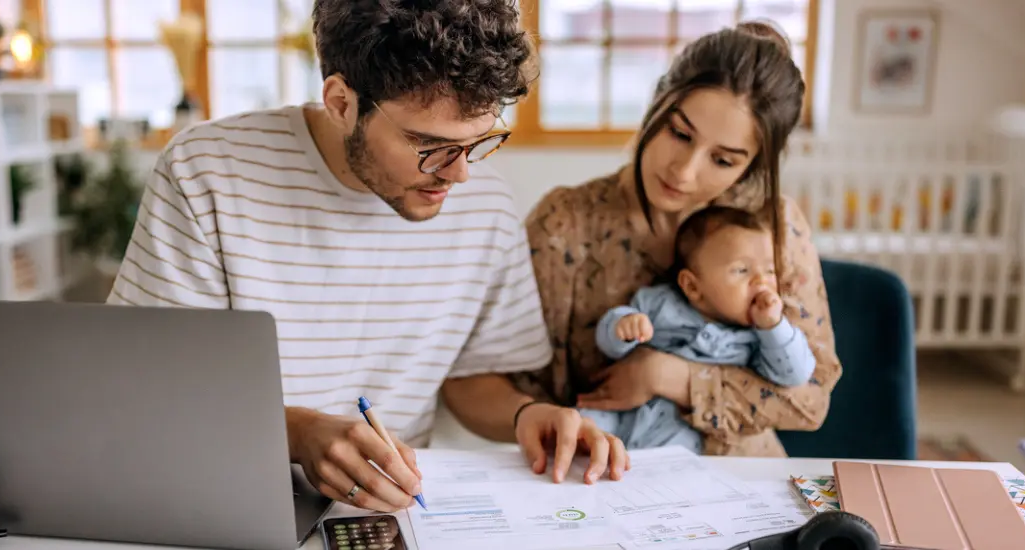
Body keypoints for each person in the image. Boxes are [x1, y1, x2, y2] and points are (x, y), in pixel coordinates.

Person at [106, 0, 629, 514]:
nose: (459, 174)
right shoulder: (208, 171)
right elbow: (152, 388)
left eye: (479, 142)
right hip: (221, 495)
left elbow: (473, 377)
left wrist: (526, 414)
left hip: (392, 513)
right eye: (430, 144)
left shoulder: (486, 204)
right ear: (340, 102)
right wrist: (298, 433)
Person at [510, 20, 843, 457]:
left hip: (741, 484)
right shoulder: (564, 223)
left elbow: (810, 397)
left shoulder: (775, 226)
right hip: (599, 476)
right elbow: (512, 386)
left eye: (722, 160)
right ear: (657, 102)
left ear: (753, 164)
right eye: (679, 134)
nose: (684, 171)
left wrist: (667, 377)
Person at [581, 205, 818, 452]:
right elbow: (609, 347)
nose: (762, 281)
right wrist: (622, 327)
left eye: (770, 270)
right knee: (585, 423)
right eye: (742, 270)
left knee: (676, 457)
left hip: (678, 428)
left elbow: (795, 374)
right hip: (623, 413)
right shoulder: (660, 303)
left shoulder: (758, 338)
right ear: (693, 287)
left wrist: (773, 326)